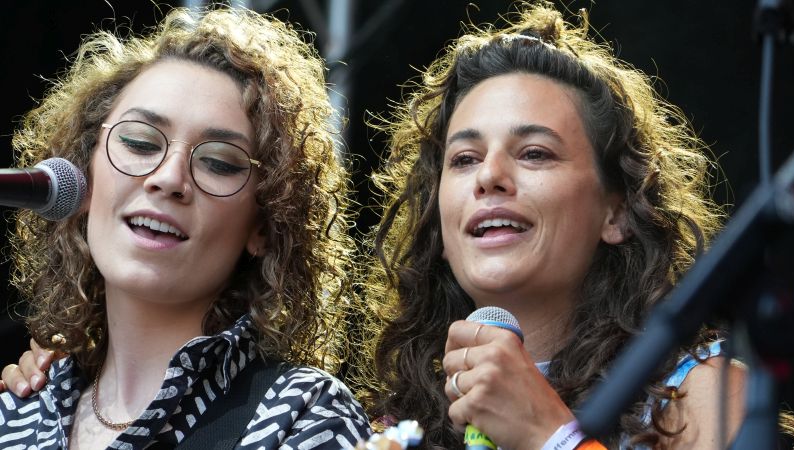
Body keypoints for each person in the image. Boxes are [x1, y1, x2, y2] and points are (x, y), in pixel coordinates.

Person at [353, 2, 750, 449]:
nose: (489, 175)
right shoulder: (393, 429)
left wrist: (551, 435)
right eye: (464, 159)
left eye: (534, 153)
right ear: (438, 226)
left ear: (617, 213)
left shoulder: (704, 397)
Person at [0, 5, 370, 449]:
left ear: (264, 224)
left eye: (218, 163)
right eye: (139, 142)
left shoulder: (303, 415)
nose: (169, 178)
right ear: (83, 176)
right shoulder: (15, 415)